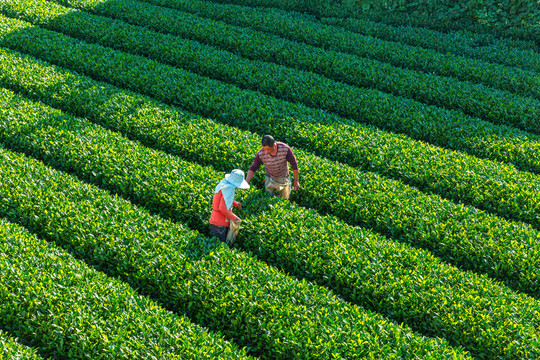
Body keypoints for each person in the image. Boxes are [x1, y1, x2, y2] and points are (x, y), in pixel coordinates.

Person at [245, 135, 299, 200]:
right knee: (269, 199)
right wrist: (247, 182)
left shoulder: (284, 149)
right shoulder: (261, 153)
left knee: (284, 200)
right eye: (264, 149)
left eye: (268, 149)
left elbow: (294, 164)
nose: (266, 151)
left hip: (283, 179)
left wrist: (296, 180)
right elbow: (253, 168)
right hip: (270, 179)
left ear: (274, 145)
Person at [209, 169, 250, 243]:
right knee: (220, 245)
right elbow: (222, 209)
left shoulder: (224, 184)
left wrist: (235, 203)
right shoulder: (228, 190)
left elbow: (222, 199)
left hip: (215, 220)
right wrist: (235, 218)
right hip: (220, 224)